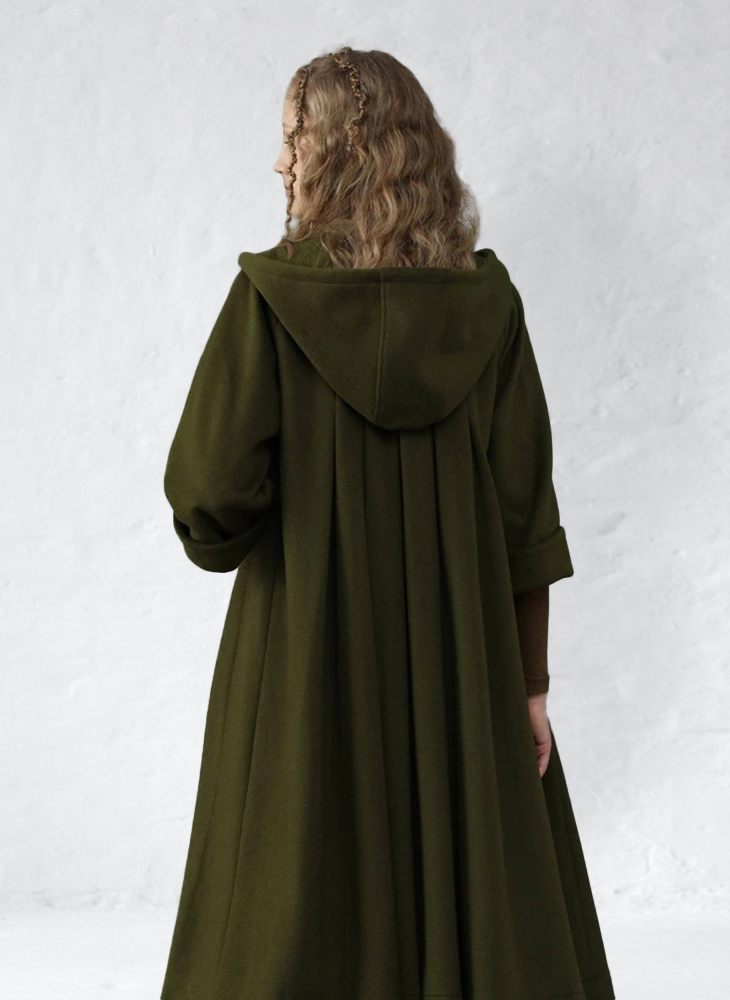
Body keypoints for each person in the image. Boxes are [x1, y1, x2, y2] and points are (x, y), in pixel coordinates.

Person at [160, 46, 616, 1000]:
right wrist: (529, 686)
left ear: (336, 152)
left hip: (302, 654)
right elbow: (526, 515)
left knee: (287, 883)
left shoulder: (271, 301)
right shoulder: (489, 307)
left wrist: (251, 525)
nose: (280, 162)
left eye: (293, 141)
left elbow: (208, 494)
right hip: (464, 661)